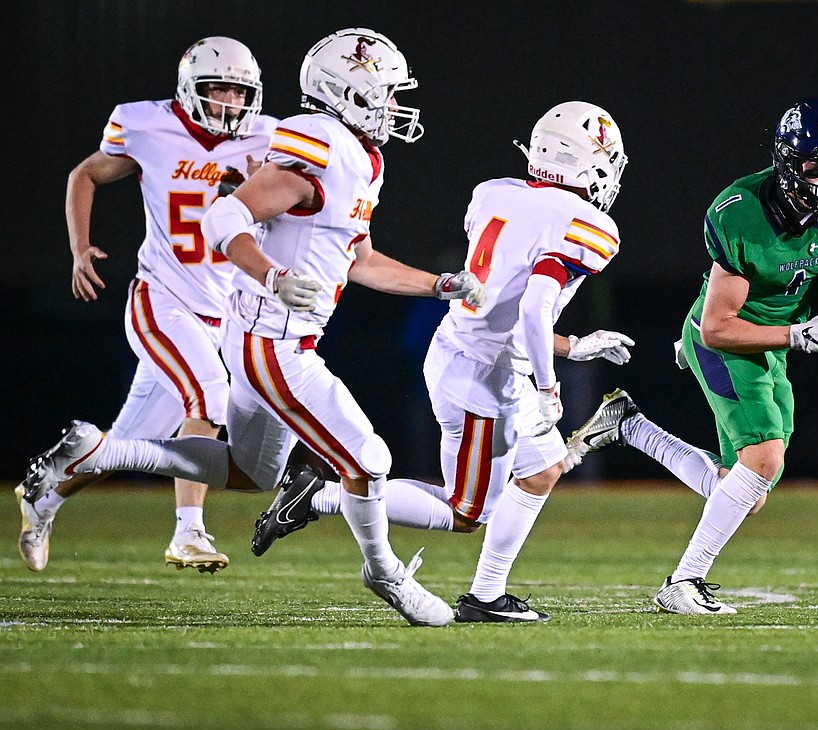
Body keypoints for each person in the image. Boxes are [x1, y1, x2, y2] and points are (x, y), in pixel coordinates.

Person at [21, 27, 486, 628]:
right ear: (348, 91)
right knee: (367, 457)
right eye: (386, 90)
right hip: (272, 340)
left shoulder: (361, 156)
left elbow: (363, 260)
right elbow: (224, 214)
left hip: (266, 333)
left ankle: (100, 452)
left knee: (251, 472)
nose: (395, 104)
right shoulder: (317, 141)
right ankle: (385, 572)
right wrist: (270, 276)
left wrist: (438, 284)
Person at [252, 101, 633, 624]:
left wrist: (571, 346)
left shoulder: (494, 193)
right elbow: (533, 305)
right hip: (483, 375)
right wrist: (550, 387)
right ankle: (318, 496)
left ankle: (487, 595)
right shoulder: (586, 224)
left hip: (479, 353)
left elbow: (507, 304)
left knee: (541, 471)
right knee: (465, 512)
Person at [565, 98, 818, 615]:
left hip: (777, 338)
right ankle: (683, 582)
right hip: (732, 337)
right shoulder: (741, 212)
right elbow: (717, 327)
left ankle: (629, 426)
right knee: (765, 458)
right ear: (785, 160)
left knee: (748, 492)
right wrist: (801, 335)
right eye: (814, 165)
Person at [16, 37, 277, 574]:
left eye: (238, 90)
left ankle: (42, 497)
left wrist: (257, 190)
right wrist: (78, 247)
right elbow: (84, 173)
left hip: (222, 312)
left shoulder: (266, 138)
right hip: (163, 298)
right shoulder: (146, 124)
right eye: (217, 88)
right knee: (210, 394)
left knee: (125, 446)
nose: (229, 101)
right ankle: (189, 532)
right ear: (189, 88)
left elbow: (283, 216)